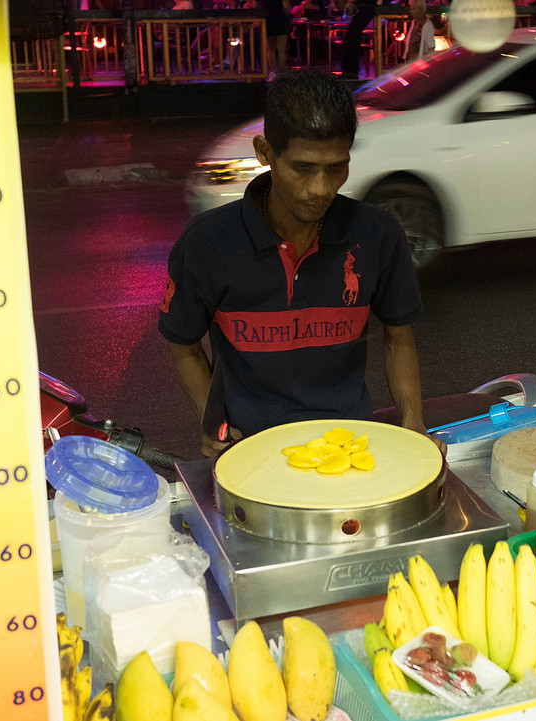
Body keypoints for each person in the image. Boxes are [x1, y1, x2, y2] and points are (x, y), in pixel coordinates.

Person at [159, 70, 432, 458]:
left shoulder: (378, 234)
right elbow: (183, 344)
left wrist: (412, 425)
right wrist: (214, 424)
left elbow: (399, 339)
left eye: (336, 166)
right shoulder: (207, 242)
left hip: (348, 446)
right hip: (250, 451)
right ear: (265, 152)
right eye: (303, 168)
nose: (321, 188)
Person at [340, 0, 376, 80]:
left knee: (351, 37)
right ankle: (351, 70)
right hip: (366, 6)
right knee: (353, 37)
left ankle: (350, 70)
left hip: (365, 7)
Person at [261, 0, 292, 74]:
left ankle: (272, 72)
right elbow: (287, 10)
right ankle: (281, 72)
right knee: (281, 50)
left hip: (270, 23)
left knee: (271, 49)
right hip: (282, 23)